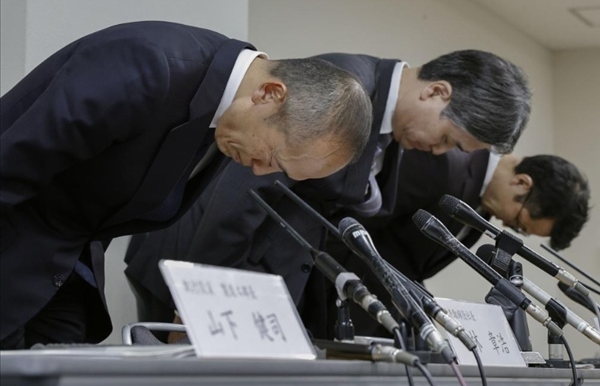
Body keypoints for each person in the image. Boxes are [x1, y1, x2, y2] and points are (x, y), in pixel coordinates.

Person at [0, 21, 374, 349]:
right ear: (269, 95)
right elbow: (12, 165)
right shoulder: (150, 64)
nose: (261, 172)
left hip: (58, 278)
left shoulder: (225, 118)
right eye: (274, 158)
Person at [124, 50, 533, 336]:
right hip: (197, 264)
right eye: (447, 139)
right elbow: (240, 192)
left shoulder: (391, 130)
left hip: (253, 281)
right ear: (436, 92)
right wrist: (199, 302)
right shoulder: (343, 87)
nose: (440, 152)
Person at [321, 149, 591, 338]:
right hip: (333, 296)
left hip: (384, 317)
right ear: (521, 182)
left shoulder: (483, 211)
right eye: (519, 222)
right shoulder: (445, 164)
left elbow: (409, 265)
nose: (511, 227)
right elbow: (355, 222)